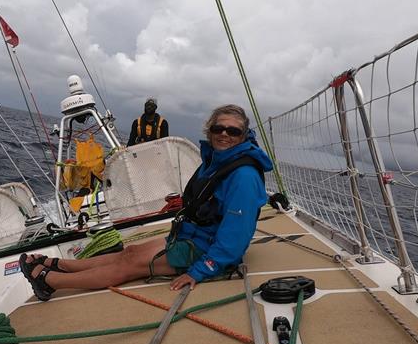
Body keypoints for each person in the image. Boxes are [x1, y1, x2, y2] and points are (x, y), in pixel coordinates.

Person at [20, 104, 273, 300]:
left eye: (233, 131)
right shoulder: (217, 160)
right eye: (219, 128)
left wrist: (200, 271)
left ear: (243, 136)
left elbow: (236, 237)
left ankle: (50, 280)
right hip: (192, 236)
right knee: (128, 252)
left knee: (130, 265)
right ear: (210, 129)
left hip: (207, 250)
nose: (224, 135)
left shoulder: (243, 176)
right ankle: (62, 265)